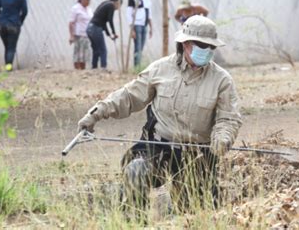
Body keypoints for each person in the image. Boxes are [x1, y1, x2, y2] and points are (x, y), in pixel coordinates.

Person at [78, 16, 242, 216]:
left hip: (197, 153)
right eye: (201, 45)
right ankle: (134, 220)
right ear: (186, 43)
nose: (206, 51)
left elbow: (228, 118)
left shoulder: (222, 80)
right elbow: (129, 96)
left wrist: (223, 139)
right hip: (158, 146)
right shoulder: (160, 69)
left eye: (211, 47)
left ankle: (184, 205)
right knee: (136, 171)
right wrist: (95, 114)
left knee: (197, 211)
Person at [0, 0, 28, 68]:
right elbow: (25, 11)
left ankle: (7, 67)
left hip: (1, 26)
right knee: (11, 48)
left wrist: (0, 19)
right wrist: (20, 21)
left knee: (7, 47)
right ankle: (8, 68)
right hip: (13, 25)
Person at [87, 0, 121, 69]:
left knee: (96, 50)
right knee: (103, 50)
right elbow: (110, 20)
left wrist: (110, 35)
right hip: (96, 28)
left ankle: (94, 67)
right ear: (117, 3)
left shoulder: (105, 3)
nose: (118, 8)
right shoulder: (111, 5)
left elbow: (103, 23)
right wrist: (114, 32)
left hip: (90, 27)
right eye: (119, 6)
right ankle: (103, 68)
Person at [127, 0, 152, 67]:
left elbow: (149, 11)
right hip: (137, 24)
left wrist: (151, 26)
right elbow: (129, 13)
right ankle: (136, 66)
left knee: (141, 46)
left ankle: (138, 64)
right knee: (137, 47)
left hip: (144, 24)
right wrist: (132, 29)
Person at [69, 0, 93, 70]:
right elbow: (71, 23)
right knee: (78, 54)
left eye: (89, 0)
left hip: (87, 35)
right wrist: (71, 36)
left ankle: (83, 70)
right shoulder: (76, 8)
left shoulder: (89, 9)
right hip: (79, 34)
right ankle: (77, 70)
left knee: (85, 55)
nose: (88, 2)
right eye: (87, 0)